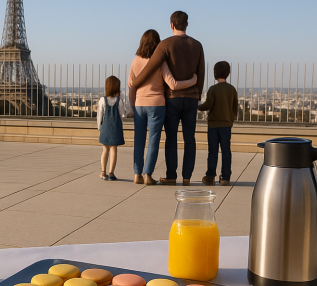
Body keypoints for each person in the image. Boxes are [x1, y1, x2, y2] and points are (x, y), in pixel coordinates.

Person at [131, 11, 205, 186]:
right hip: (191, 98)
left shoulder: (165, 45)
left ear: (171, 25)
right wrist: (197, 93)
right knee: (190, 138)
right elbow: (200, 74)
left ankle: (171, 175)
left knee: (171, 138)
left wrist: (136, 82)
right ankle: (186, 177)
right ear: (187, 24)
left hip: (171, 99)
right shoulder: (198, 45)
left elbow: (149, 68)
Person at [198, 61, 238, 186]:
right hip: (226, 124)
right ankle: (225, 177)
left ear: (215, 73)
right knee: (226, 150)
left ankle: (210, 176)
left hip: (213, 125)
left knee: (213, 151)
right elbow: (235, 107)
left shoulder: (213, 89)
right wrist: (231, 118)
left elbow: (208, 105)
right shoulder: (232, 89)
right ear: (228, 73)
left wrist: (198, 106)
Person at [97, 75, 129, 181]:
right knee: (114, 149)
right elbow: (123, 115)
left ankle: (103, 172)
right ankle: (111, 173)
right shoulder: (119, 101)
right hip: (116, 127)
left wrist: (99, 127)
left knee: (105, 149)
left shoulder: (102, 100)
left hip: (105, 127)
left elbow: (100, 115)